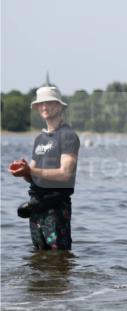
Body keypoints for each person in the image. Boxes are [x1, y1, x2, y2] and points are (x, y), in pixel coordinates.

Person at [8, 84, 79, 251]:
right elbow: (32, 176)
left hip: (56, 207)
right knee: (39, 257)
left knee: (59, 258)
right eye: (41, 103)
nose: (44, 106)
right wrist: (24, 170)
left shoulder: (68, 135)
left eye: (49, 102)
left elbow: (66, 174)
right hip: (36, 206)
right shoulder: (39, 139)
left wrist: (30, 170)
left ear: (60, 106)